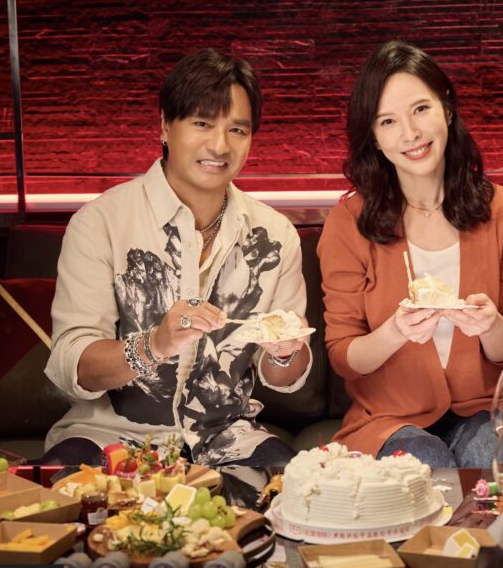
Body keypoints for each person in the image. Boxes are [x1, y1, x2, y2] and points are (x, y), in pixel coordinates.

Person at [43, 48, 311, 467]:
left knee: (301, 491)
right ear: (166, 126)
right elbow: (73, 366)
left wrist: (284, 353)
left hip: (228, 437)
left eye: (237, 130)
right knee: (60, 496)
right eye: (202, 123)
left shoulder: (276, 235)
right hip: (108, 438)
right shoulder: (100, 223)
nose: (220, 145)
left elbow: (283, 378)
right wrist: (154, 344)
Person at [318, 40, 503, 468]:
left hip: (483, 410)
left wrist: (492, 326)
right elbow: (344, 357)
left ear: (447, 109)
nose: (411, 133)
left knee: (489, 456)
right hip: (387, 418)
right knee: (425, 463)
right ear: (374, 137)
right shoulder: (348, 222)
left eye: (421, 109)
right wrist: (396, 331)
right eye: (388, 121)